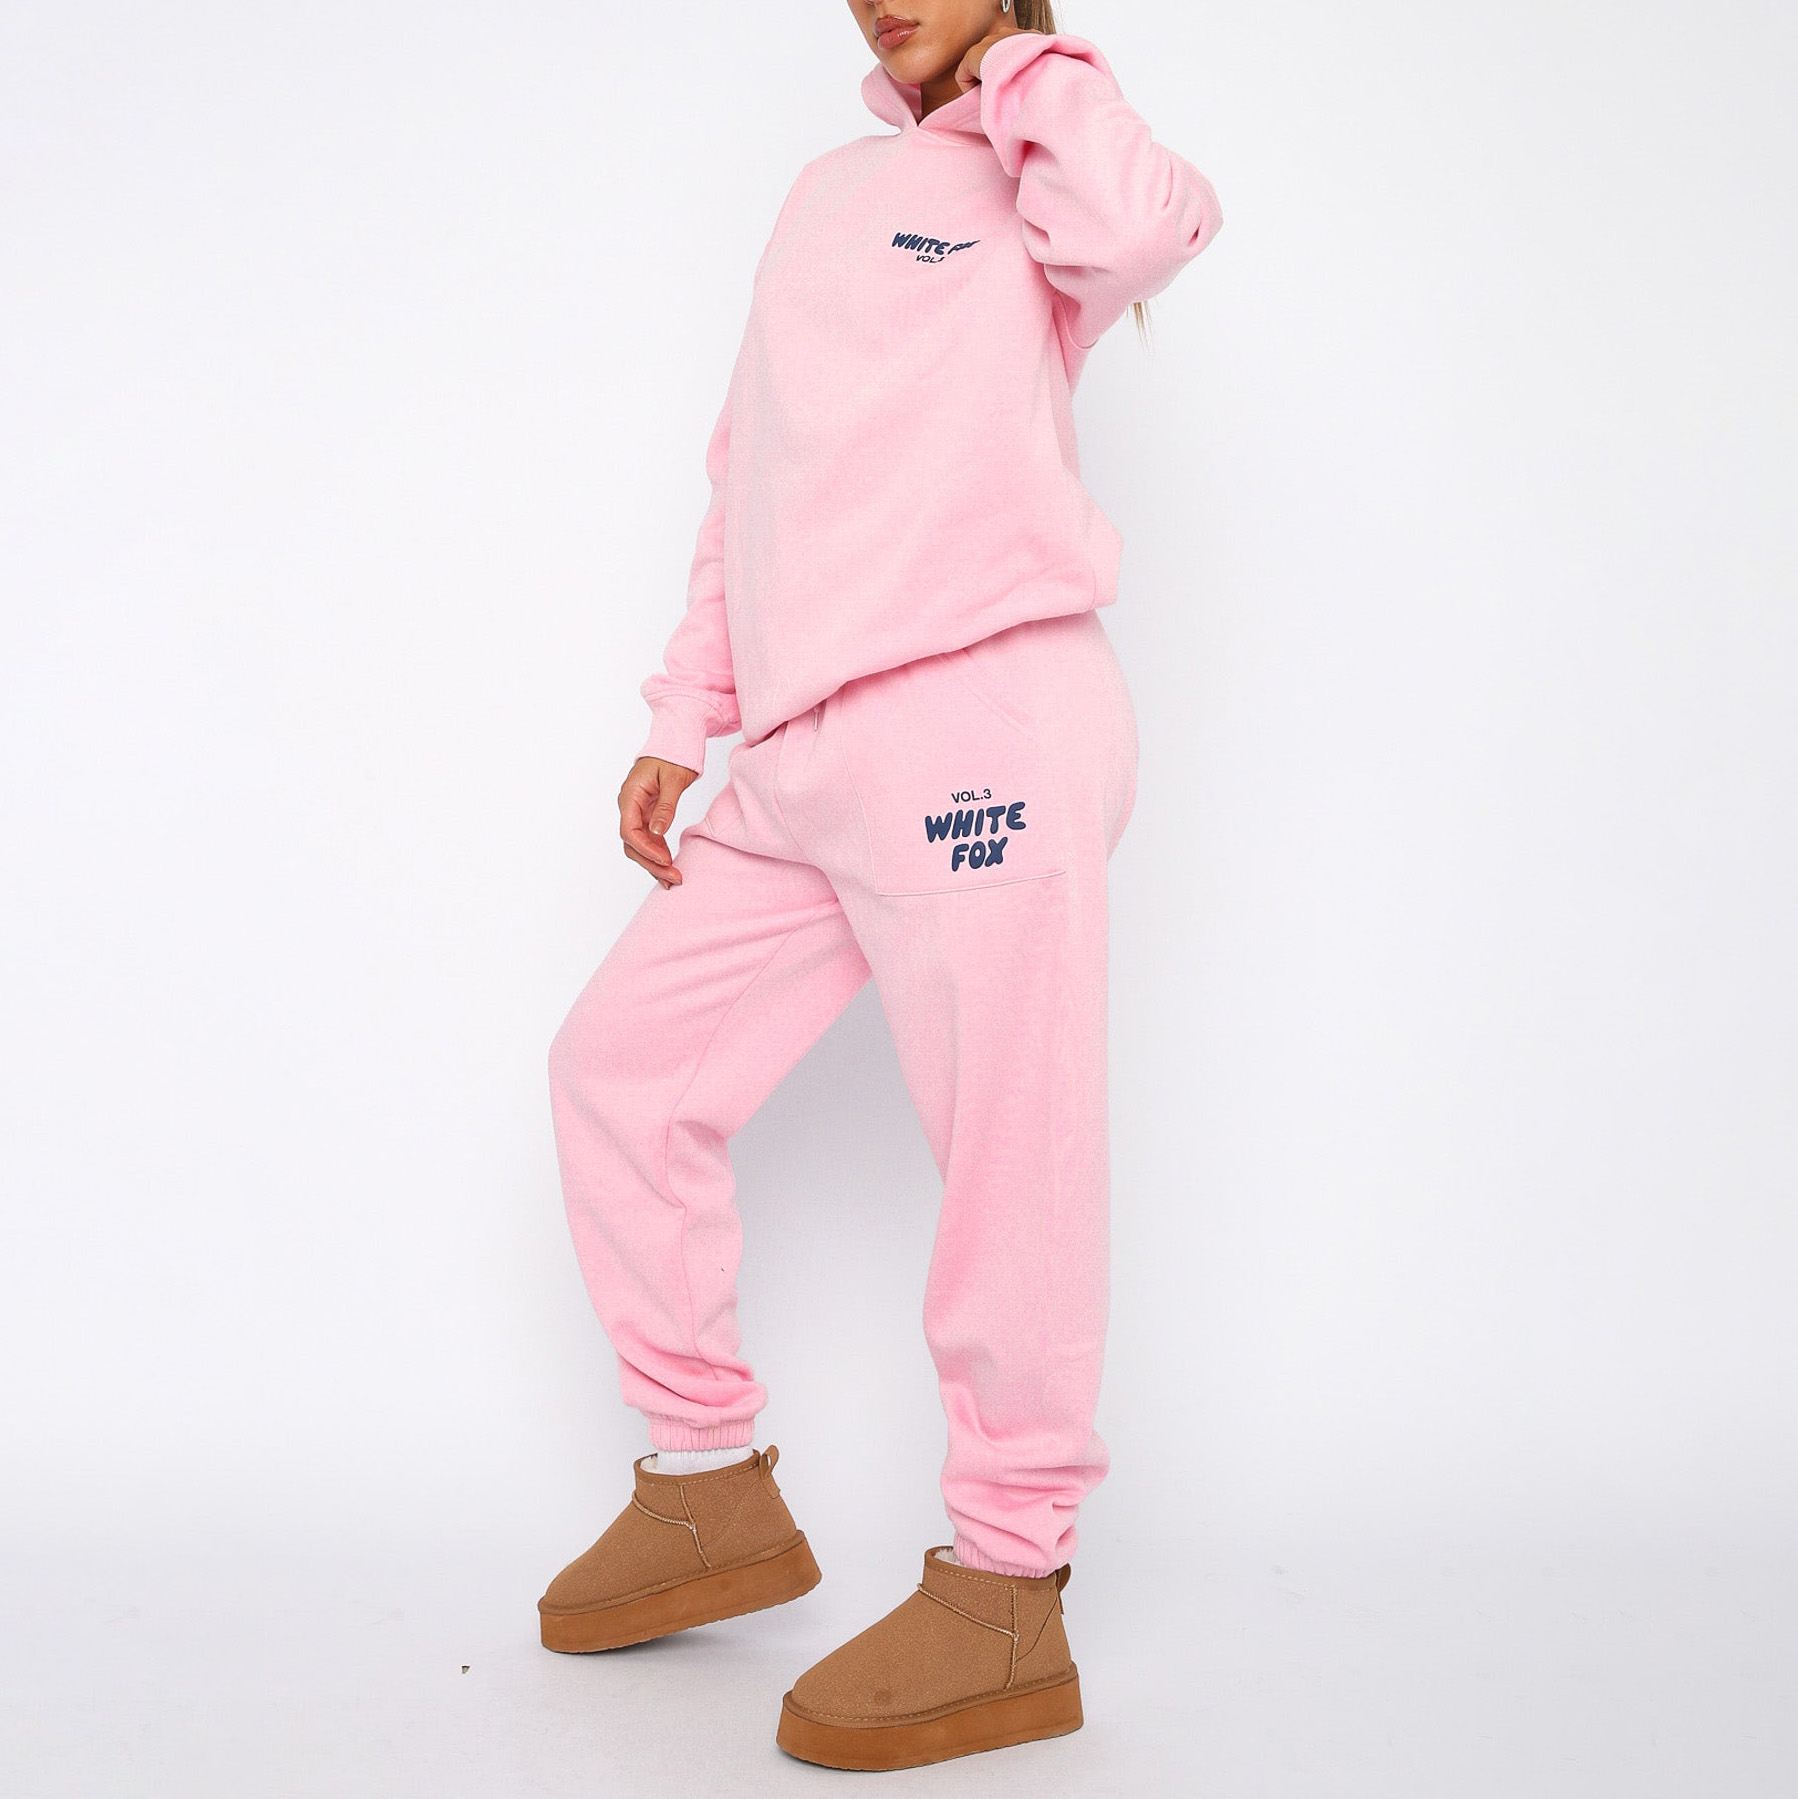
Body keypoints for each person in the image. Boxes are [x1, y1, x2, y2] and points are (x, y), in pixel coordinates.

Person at [538, 0, 1221, 1770]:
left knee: (1006, 1158)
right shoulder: (828, 190)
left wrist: (1016, 66)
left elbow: (1149, 228)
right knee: (621, 1071)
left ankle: (1007, 1580)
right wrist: (687, 711)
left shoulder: (1045, 158)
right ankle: (707, 1484)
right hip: (801, 747)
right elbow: (751, 472)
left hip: (981, 717)